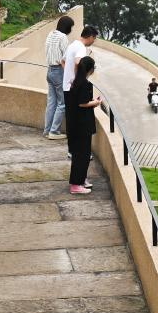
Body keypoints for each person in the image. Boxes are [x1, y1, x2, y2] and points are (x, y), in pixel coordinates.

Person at [65, 55, 100, 194]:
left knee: (82, 154)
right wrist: (96, 102)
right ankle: (75, 185)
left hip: (76, 124)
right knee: (82, 155)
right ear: (90, 69)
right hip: (82, 125)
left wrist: (92, 102)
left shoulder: (75, 82)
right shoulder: (84, 84)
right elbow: (82, 103)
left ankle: (81, 179)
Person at [63, 25, 98, 159]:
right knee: (79, 122)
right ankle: (80, 152)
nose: (93, 41)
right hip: (74, 88)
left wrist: (69, 77)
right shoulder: (81, 48)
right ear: (90, 37)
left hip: (67, 87)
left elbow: (62, 61)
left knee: (71, 120)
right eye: (94, 39)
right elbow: (79, 63)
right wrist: (78, 79)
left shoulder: (72, 45)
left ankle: (72, 150)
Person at [43, 15, 74, 140]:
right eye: (71, 27)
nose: (71, 29)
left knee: (51, 102)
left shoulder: (50, 34)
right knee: (63, 103)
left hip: (50, 70)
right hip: (58, 71)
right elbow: (67, 57)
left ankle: (47, 130)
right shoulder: (63, 37)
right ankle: (54, 131)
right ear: (67, 27)